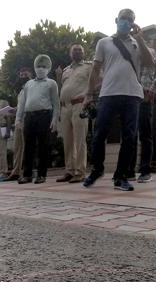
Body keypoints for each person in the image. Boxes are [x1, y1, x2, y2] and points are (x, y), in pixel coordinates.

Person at [82, 8, 152, 191]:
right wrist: (89, 95)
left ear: (134, 23)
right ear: (116, 20)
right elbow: (95, 70)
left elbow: (149, 62)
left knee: (129, 137)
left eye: (130, 19)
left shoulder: (137, 43)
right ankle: (97, 169)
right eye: (123, 18)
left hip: (132, 95)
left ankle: (120, 177)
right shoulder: (104, 42)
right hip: (108, 94)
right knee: (99, 135)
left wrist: (141, 39)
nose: (126, 22)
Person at [15, 54, 60, 184]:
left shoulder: (52, 83)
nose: (41, 68)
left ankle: (41, 175)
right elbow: (22, 103)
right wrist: (18, 119)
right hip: (29, 117)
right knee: (28, 146)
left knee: (43, 146)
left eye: (44, 66)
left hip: (44, 116)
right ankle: (27, 175)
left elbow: (56, 103)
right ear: (34, 68)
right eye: (39, 66)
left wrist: (54, 120)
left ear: (48, 68)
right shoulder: (28, 84)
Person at [127, 49, 156, 183]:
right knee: (130, 136)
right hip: (130, 97)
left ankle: (145, 172)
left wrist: (152, 90)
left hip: (144, 96)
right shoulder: (126, 53)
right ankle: (129, 172)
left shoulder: (147, 51)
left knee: (145, 135)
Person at [55, 44, 92, 183]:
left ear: (84, 53)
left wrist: (89, 95)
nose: (77, 52)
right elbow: (62, 88)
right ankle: (69, 170)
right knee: (68, 141)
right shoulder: (65, 70)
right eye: (74, 50)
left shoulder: (89, 67)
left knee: (80, 140)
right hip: (65, 107)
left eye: (80, 50)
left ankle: (80, 172)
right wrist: (58, 77)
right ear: (70, 54)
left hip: (79, 105)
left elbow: (98, 80)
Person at [8, 67, 33, 181]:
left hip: (28, 120)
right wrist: (14, 110)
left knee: (27, 147)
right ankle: (15, 172)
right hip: (18, 121)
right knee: (17, 147)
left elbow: (31, 104)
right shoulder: (21, 91)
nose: (23, 77)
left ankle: (27, 172)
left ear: (31, 75)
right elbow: (21, 106)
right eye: (21, 75)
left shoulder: (33, 88)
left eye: (25, 75)